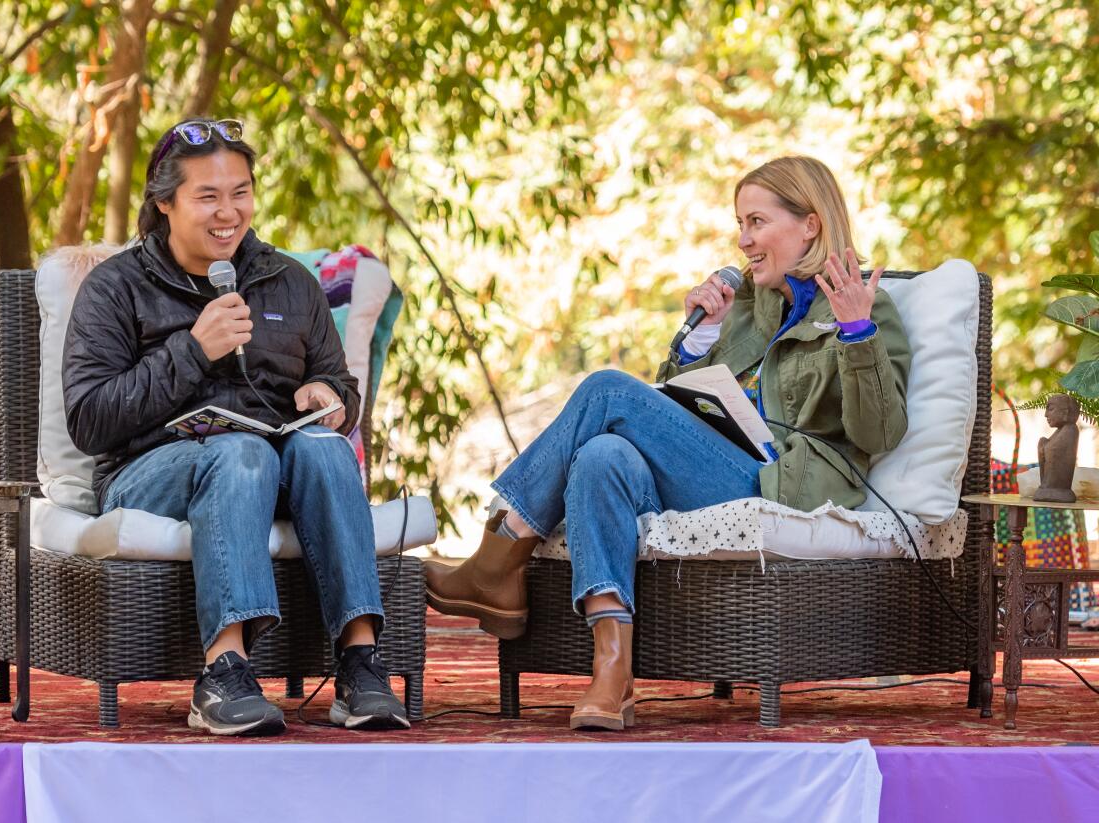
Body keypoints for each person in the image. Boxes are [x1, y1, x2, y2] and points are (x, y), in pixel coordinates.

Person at [425, 155, 912, 731]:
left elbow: (879, 433)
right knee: (601, 457)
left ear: (810, 224)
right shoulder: (751, 309)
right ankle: (612, 671)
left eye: (757, 222)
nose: (743, 239)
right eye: (740, 223)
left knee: (607, 389)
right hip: (714, 467)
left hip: (782, 482)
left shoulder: (864, 305)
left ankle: (501, 554)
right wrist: (701, 338)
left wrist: (858, 334)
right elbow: (685, 399)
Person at [62, 118, 409, 735]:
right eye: (208, 196)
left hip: (275, 462)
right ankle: (223, 672)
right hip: (149, 473)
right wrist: (192, 351)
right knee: (240, 454)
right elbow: (90, 420)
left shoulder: (289, 281)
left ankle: (361, 665)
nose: (229, 212)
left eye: (241, 192)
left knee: (326, 450)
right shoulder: (114, 288)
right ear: (164, 202)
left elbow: (341, 386)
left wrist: (329, 397)